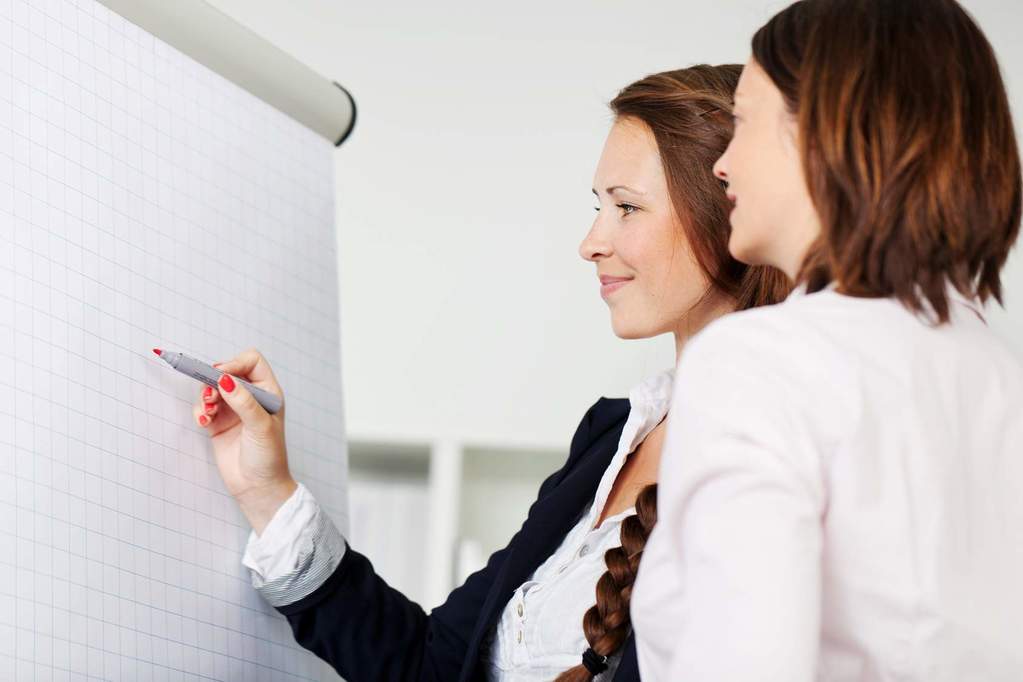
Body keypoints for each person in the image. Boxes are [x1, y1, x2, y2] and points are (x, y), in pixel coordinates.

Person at [194, 65, 789, 682]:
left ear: (731, 213)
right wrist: (269, 493)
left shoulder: (781, 464)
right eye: (597, 207)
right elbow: (430, 666)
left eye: (627, 207)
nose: (591, 242)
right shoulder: (611, 436)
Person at [632, 2, 1023, 681]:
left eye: (745, 122)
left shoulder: (758, 365)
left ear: (820, 133)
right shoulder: (1000, 375)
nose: (720, 166)